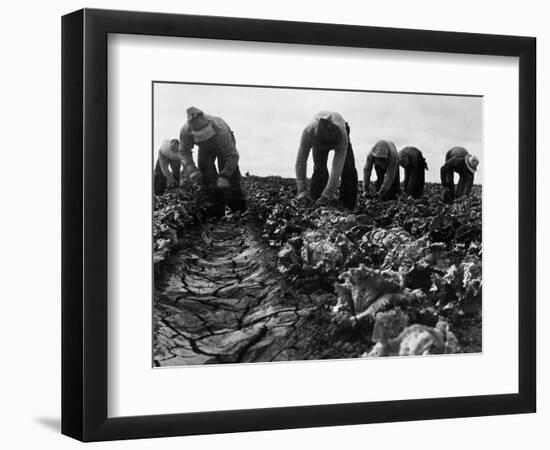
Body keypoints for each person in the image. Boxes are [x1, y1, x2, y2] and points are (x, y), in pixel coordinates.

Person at [178, 106, 246, 216]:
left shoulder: (221, 130)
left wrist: (224, 175)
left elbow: (232, 156)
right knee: (205, 175)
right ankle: (215, 211)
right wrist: (192, 170)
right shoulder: (185, 132)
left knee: (230, 178)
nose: (205, 138)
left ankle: (238, 209)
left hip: (222, 145)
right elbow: (183, 152)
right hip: (204, 149)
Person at [294, 111, 358, 209]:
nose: (327, 147)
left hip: (340, 132)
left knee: (348, 168)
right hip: (318, 138)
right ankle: (315, 201)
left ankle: (347, 205)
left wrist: (327, 194)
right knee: (319, 168)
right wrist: (302, 189)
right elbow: (301, 161)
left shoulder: (342, 136)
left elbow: (337, 167)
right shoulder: (308, 132)